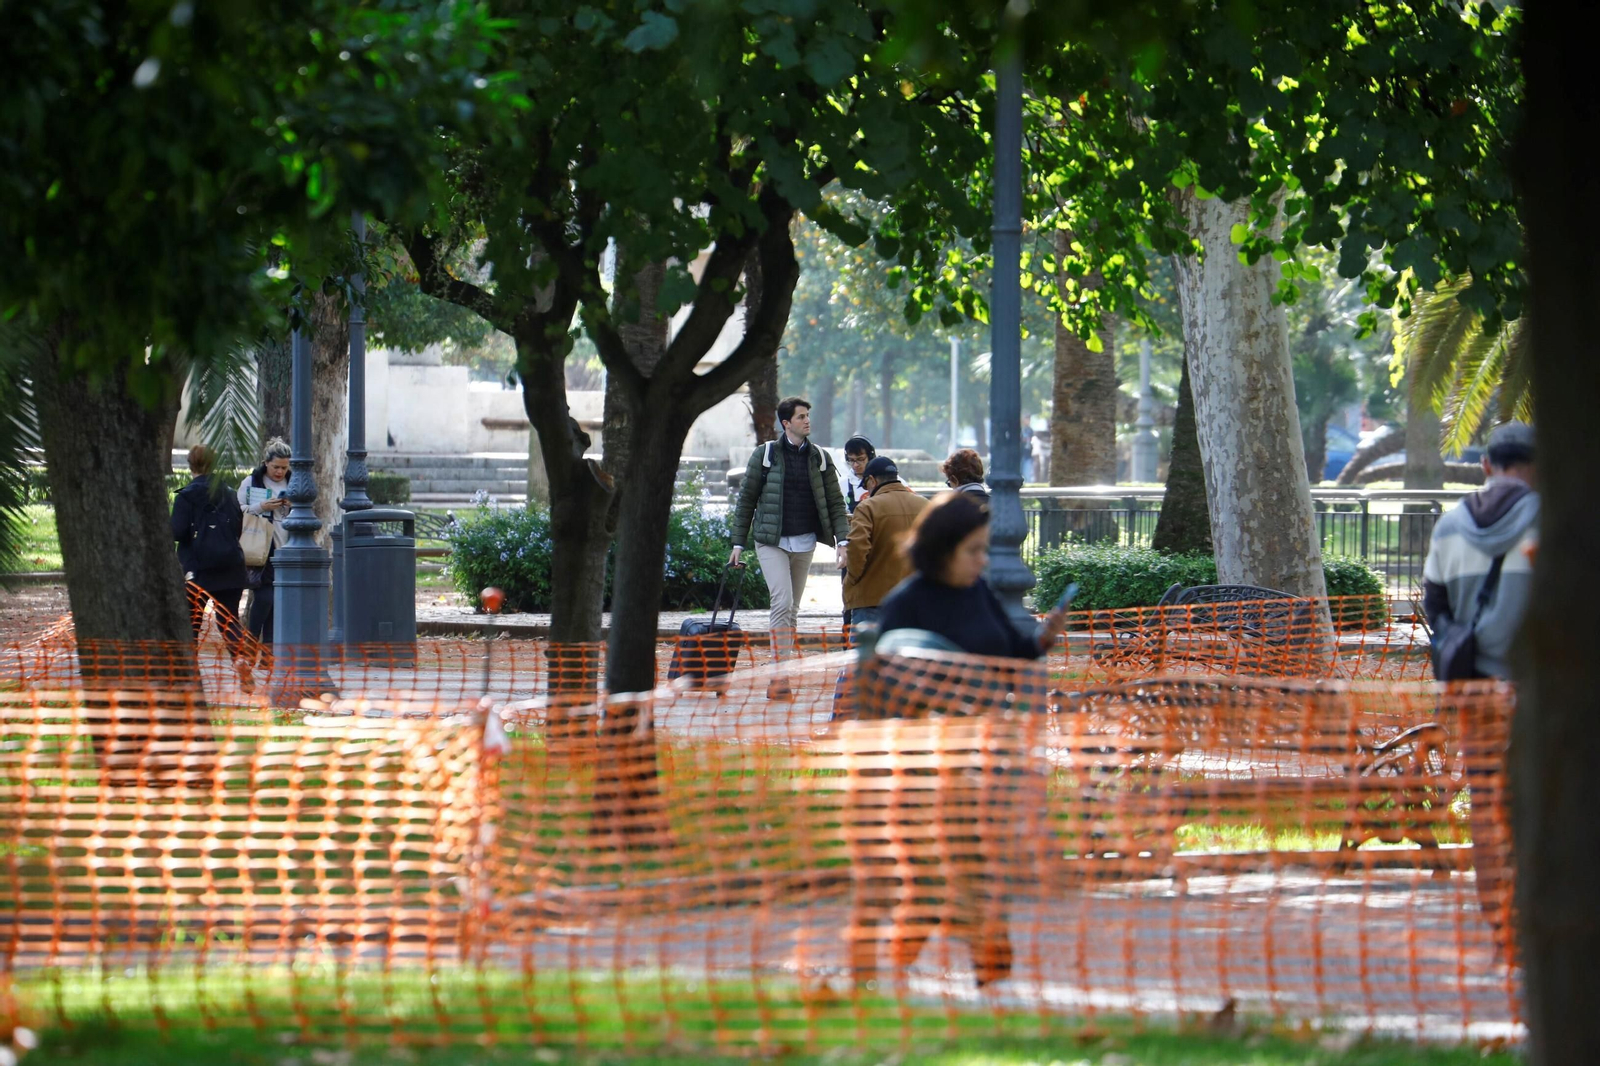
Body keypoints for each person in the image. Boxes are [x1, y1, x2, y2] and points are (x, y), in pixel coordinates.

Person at [728, 397, 850, 665]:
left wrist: (843, 541)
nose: (807, 421)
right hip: (771, 541)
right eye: (801, 417)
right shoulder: (765, 454)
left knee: (793, 608)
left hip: (805, 542)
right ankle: (778, 672)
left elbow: (835, 502)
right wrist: (738, 543)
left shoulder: (819, 457)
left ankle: (781, 666)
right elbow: (747, 499)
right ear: (786, 423)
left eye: (807, 415)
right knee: (782, 602)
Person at [876, 492, 1069, 659]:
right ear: (942, 548)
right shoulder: (903, 604)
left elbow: (1014, 652)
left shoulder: (980, 589)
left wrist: (1045, 637)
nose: (983, 560)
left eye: (983, 549)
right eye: (973, 550)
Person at [1422, 421, 1539, 680]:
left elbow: (1434, 604)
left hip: (1470, 684)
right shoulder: (1549, 522)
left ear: (1486, 465)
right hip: (1536, 684)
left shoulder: (1448, 527)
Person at [170, 445, 250, 662]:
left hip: (196, 570)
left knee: (192, 621)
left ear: (190, 466)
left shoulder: (186, 497)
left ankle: (188, 668)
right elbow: (238, 527)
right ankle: (240, 658)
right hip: (231, 566)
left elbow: (177, 532)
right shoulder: (230, 493)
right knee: (229, 619)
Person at [843, 456, 928, 632]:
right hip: (916, 600)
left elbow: (857, 549)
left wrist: (852, 581)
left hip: (872, 600)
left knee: (867, 657)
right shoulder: (924, 505)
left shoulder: (867, 507)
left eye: (866, 485)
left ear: (872, 480)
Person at [238, 437, 292, 649]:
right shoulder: (251, 481)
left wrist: (293, 505)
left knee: (276, 602)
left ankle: (267, 652)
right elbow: (238, 509)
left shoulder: (294, 482)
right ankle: (252, 640)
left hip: (286, 548)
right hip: (260, 547)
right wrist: (261, 506)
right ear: (266, 462)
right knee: (265, 598)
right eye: (276, 467)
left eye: (284, 468)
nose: (280, 472)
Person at [841, 435, 876, 514]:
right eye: (851, 460)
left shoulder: (887, 480)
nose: (856, 465)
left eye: (861, 459)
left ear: (870, 457)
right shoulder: (841, 486)